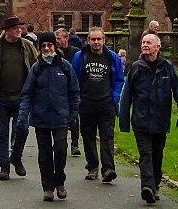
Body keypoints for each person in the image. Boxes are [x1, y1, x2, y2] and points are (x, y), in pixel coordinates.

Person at [119, 34, 178, 204]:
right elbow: (126, 96)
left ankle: (155, 184)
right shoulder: (136, 68)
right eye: (143, 42)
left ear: (158, 47)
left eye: (149, 43)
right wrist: (124, 121)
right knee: (146, 154)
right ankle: (147, 187)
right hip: (141, 121)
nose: (145, 45)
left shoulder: (167, 67)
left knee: (157, 155)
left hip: (160, 121)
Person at [17, 32, 80, 202]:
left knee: (60, 150)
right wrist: (23, 115)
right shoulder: (36, 68)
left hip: (61, 117)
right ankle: (47, 187)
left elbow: (74, 92)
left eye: (49, 45)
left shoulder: (64, 66)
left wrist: (73, 114)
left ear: (54, 46)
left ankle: (59, 181)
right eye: (43, 46)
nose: (46, 48)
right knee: (44, 154)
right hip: (41, 118)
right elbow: (27, 93)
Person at [0, 16, 38, 181]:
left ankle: (16, 156)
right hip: (0, 98)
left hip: (21, 97)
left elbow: (36, 68)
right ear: (7, 30)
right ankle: (4, 165)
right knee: (2, 133)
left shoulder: (27, 46)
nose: (19, 30)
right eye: (15, 28)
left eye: (19, 28)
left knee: (22, 129)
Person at [71, 27, 125, 183]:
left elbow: (119, 79)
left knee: (107, 136)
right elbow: (74, 78)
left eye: (99, 39)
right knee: (87, 136)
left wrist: (114, 97)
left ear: (104, 40)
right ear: (88, 40)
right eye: (93, 39)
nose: (96, 42)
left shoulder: (112, 58)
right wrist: (77, 99)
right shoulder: (80, 57)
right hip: (86, 102)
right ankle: (92, 166)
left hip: (106, 103)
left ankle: (108, 169)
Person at [54, 28, 81, 156]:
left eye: (59, 38)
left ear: (66, 39)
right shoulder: (54, 53)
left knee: (74, 116)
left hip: (72, 88)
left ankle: (75, 144)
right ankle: (60, 143)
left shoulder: (75, 53)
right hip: (58, 89)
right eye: (56, 39)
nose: (57, 41)